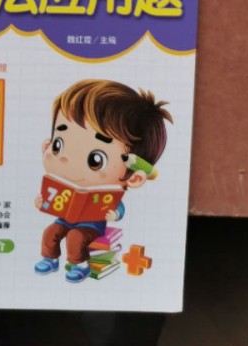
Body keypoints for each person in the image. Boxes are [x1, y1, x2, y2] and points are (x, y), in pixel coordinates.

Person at [33, 79, 172, 283]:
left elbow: (118, 209)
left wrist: (114, 214)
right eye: (58, 145)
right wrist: (41, 202)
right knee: (50, 232)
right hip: (64, 218)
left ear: (134, 177)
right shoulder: (58, 183)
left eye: (95, 160)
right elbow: (49, 200)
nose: (66, 159)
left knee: (75, 238)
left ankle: (80, 265)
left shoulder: (109, 193)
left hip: (91, 225)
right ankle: (50, 259)